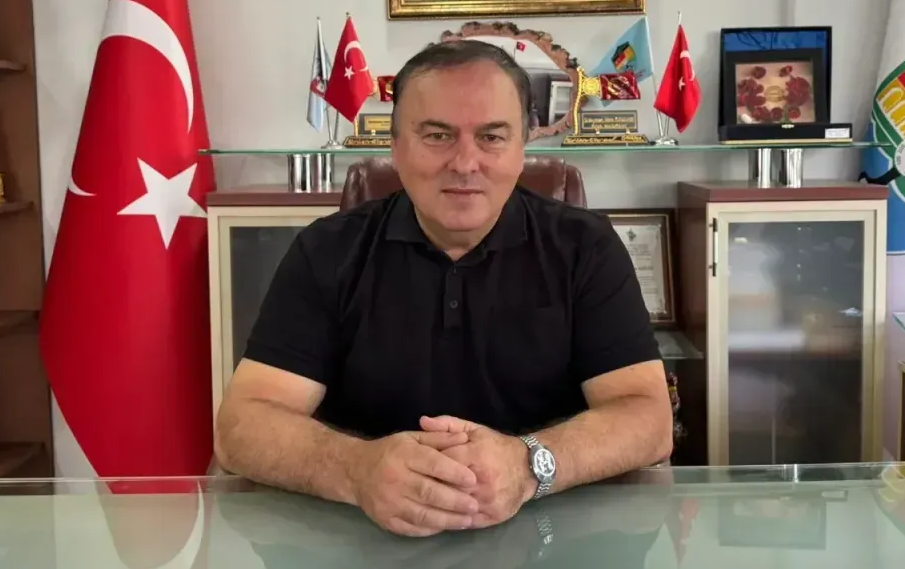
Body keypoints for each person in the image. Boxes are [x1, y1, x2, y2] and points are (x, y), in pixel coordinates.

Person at [214, 40, 672, 539]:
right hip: (366, 535)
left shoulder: (586, 248)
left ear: (522, 148)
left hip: (551, 533)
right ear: (394, 148)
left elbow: (647, 418)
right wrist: (356, 470)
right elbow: (242, 426)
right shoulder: (326, 251)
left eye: (492, 136)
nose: (465, 162)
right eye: (437, 135)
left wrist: (528, 466)